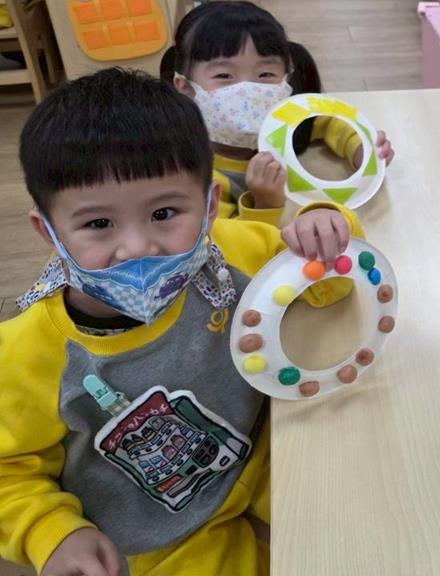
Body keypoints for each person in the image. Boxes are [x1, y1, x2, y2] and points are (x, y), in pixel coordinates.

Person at [0, 69, 362, 575]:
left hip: (266, 456)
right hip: (161, 532)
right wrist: (51, 531)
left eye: (165, 213)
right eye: (99, 223)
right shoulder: (25, 352)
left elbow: (329, 284)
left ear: (211, 206)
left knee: (366, 524)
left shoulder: (229, 253)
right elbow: (8, 470)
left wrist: (323, 225)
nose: (137, 248)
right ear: (49, 232)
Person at [168, 2, 394, 224]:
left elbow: (323, 122)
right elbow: (224, 240)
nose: (249, 91)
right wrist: (264, 204)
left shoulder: (284, 122)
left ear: (286, 78)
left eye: (265, 74)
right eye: (224, 76)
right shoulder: (192, 175)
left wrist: (361, 150)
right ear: (185, 88)